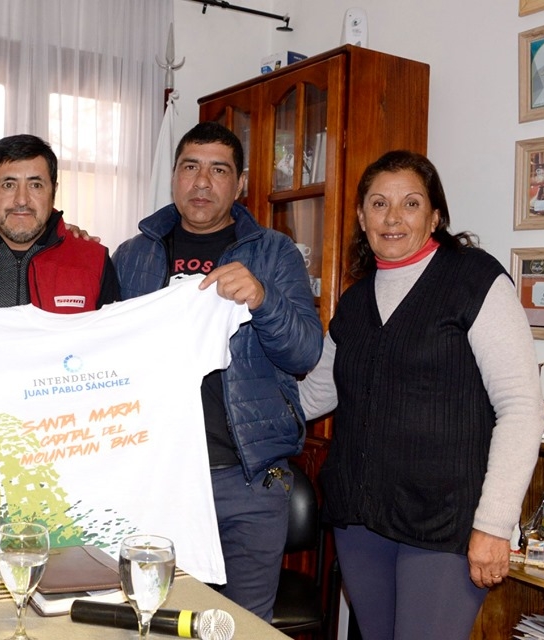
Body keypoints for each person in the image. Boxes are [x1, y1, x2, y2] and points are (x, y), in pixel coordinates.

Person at [298, 150, 544, 639]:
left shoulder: (475, 280)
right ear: (362, 218)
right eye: (379, 204)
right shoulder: (354, 301)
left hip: (444, 525)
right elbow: (315, 396)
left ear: (434, 217)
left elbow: (521, 408)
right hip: (360, 520)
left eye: (410, 203)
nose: (393, 217)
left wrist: (494, 525)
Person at [112, 121, 323, 620]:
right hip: (156, 478)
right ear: (174, 176)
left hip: (247, 482)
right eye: (190, 167)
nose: (202, 182)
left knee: (241, 627)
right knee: (155, 621)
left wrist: (263, 300)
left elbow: (305, 353)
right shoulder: (133, 254)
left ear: (240, 183)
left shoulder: (274, 253)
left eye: (219, 170)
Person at [0, 133, 120, 580]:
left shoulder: (93, 260)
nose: (21, 199)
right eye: (8, 183)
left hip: (67, 472)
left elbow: (116, 364)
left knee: (62, 599)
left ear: (53, 191)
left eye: (35, 184)